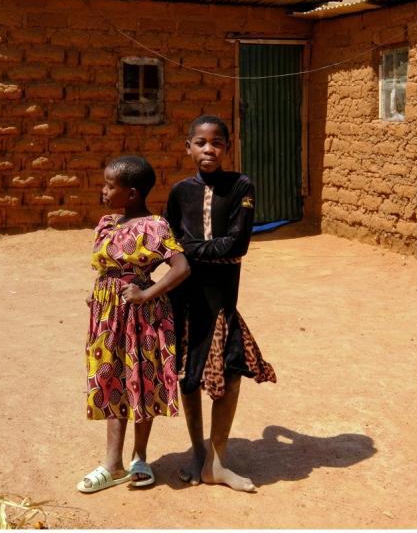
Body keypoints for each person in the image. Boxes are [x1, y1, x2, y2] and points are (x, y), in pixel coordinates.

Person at [165, 114, 277, 493]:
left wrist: (191, 249)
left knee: (229, 375)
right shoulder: (180, 192)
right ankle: (198, 453)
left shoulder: (241, 186)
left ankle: (218, 457)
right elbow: (170, 245)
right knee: (188, 376)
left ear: (227, 148)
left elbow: (238, 245)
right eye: (200, 142)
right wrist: (192, 252)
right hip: (185, 300)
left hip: (222, 303)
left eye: (216, 142)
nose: (208, 149)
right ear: (188, 147)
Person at [78, 155, 191, 493]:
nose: (103, 191)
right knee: (111, 379)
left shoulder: (155, 226)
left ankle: (140, 458)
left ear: (131, 193)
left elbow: (181, 267)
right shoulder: (107, 223)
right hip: (107, 314)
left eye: (109, 186)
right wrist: (98, 295)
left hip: (143, 315)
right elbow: (107, 269)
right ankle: (112, 464)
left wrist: (146, 293)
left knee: (141, 379)